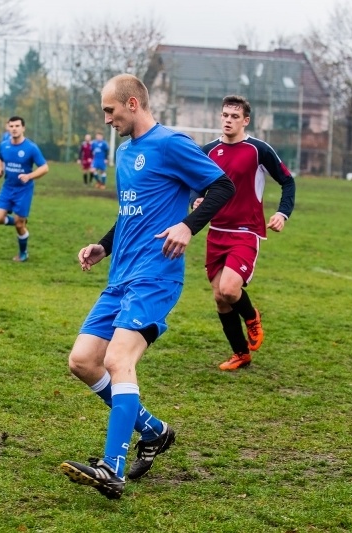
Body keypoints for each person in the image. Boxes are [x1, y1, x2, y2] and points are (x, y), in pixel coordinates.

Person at [59, 74, 235, 499]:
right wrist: (103, 246)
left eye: (110, 110)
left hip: (156, 276)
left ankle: (112, 467)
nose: (106, 119)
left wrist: (188, 226)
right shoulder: (124, 152)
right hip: (120, 276)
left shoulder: (171, 143)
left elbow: (222, 185)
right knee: (83, 361)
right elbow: (131, 213)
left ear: (132, 103)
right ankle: (154, 431)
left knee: (119, 360)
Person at [193, 95, 295, 371]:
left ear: (245, 120)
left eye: (234, 116)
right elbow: (195, 183)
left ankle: (252, 317)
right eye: (225, 115)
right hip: (216, 231)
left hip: (245, 231)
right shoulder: (209, 151)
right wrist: (197, 198)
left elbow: (287, 181)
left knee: (229, 289)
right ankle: (241, 354)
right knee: (219, 297)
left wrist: (282, 212)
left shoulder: (258, 150)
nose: (228, 120)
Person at [0, 116, 49, 262]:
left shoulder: (31, 148)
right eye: (11, 126)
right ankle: (20, 221)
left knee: (19, 226)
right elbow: (0, 158)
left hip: (23, 191)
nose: (14, 128)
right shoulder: (4, 145)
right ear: (7, 128)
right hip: (7, 188)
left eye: (17, 126)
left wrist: (29, 176)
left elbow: (44, 167)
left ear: (23, 128)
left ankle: (23, 253)